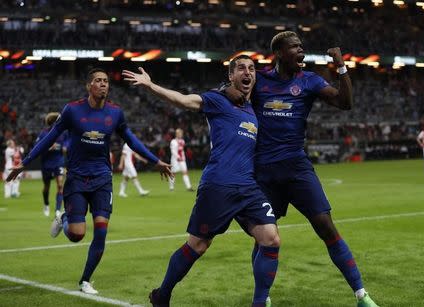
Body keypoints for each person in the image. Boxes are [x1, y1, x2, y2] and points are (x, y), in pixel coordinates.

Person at [225, 31, 378, 307]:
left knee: (326, 227)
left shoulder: (309, 81)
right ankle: (261, 300)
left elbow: (346, 102)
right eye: (295, 47)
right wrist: (229, 91)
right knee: (263, 239)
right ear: (280, 53)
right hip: (264, 172)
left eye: (301, 46)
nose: (301, 51)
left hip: (297, 167)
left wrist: (341, 66)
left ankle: (361, 295)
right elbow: (232, 88)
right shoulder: (259, 79)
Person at [122, 55, 280, 307]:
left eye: (251, 69)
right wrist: (151, 86)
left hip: (248, 187)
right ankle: (162, 295)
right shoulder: (217, 100)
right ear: (230, 75)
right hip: (219, 184)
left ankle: (259, 303)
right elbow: (184, 101)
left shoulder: (253, 109)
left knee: (271, 239)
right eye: (241, 68)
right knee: (198, 245)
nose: (247, 72)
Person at [6, 68, 172, 295]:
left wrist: (155, 161)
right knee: (77, 234)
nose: (103, 84)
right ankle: (63, 216)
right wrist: (25, 162)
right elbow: (50, 137)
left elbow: (132, 140)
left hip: (103, 178)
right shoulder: (72, 110)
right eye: (98, 81)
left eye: (106, 81)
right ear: (89, 86)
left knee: (101, 230)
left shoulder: (115, 113)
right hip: (76, 178)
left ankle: (85, 280)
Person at [37, 112, 68, 217]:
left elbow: (68, 141)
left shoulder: (63, 133)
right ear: (52, 123)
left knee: (60, 185)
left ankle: (57, 210)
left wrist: (65, 147)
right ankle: (46, 204)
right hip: (46, 163)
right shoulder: (43, 134)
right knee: (46, 186)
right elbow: (37, 148)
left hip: (59, 162)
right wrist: (48, 148)